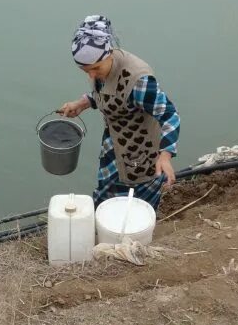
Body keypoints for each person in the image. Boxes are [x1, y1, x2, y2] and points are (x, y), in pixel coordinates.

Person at [57, 15, 180, 210]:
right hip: (114, 146)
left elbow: (169, 116)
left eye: (95, 68)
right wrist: (83, 103)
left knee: (135, 209)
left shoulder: (138, 80)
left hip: (142, 154)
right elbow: (111, 95)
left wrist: (165, 156)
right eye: (85, 70)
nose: (91, 75)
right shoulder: (101, 70)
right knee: (106, 200)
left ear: (109, 54)